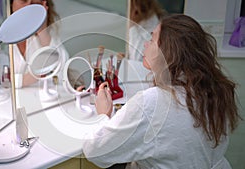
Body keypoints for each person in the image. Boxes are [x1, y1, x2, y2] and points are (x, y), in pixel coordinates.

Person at [83, 14, 240, 169]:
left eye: (152, 40)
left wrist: (103, 114)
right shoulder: (216, 90)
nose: (145, 44)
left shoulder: (152, 103)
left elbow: (95, 151)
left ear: (168, 52)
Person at [10, 0, 69, 88]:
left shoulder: (45, 37)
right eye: (24, 0)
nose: (29, 6)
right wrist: (25, 80)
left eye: (34, 3)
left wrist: (42, 30)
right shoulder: (2, 39)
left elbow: (60, 74)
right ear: (11, 5)